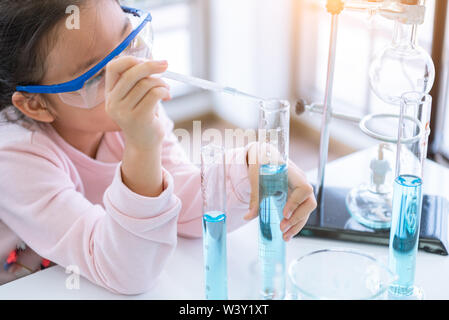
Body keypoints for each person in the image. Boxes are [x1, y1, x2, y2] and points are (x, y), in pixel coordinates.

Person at [0, 0, 316, 294]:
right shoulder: (13, 158)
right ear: (35, 103)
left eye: (129, 38)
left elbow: (184, 200)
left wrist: (250, 166)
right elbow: (128, 272)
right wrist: (141, 146)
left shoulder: (125, 113)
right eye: (98, 74)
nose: (132, 74)